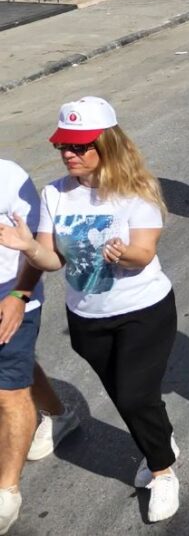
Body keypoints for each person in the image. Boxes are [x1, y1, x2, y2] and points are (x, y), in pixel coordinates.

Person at [0, 98, 182, 522]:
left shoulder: (136, 190)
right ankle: (161, 439)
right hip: (87, 318)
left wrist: (125, 255)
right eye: (63, 146)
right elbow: (51, 261)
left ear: (108, 144)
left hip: (143, 311)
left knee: (136, 394)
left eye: (80, 147)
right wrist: (28, 246)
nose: (69, 154)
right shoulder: (55, 194)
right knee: (127, 395)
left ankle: (163, 471)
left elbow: (145, 252)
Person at [0, 158, 47, 534]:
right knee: (16, 369)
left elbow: (36, 247)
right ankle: (61, 415)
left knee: (8, 392)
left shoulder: (10, 177)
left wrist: (18, 295)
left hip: (10, 291)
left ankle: (7, 493)